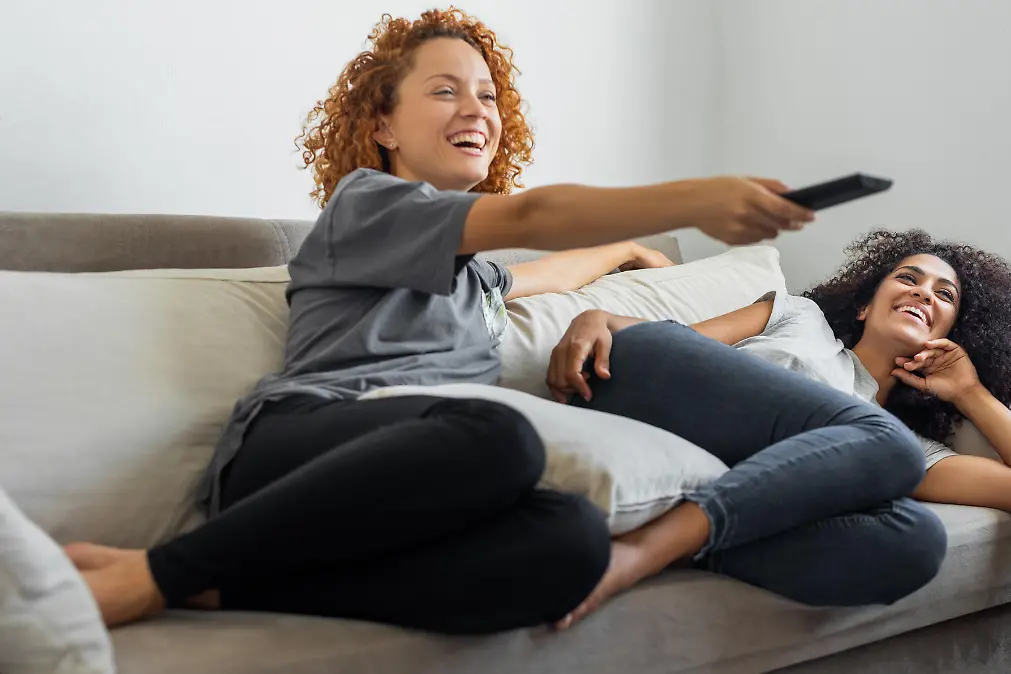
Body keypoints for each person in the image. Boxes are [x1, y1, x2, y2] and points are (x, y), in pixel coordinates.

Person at [62, 8, 816, 634]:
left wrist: (622, 252)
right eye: (446, 91)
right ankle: (157, 572)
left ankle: (225, 588)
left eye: (488, 96)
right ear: (384, 125)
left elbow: (540, 272)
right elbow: (535, 215)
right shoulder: (367, 207)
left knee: (570, 539)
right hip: (300, 447)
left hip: (413, 479)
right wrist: (694, 201)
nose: (477, 111)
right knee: (498, 435)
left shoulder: (475, 278)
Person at [543, 228, 1011, 629]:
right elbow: (674, 344)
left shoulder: (896, 444)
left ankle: (689, 539)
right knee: (887, 448)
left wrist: (969, 391)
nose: (924, 294)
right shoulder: (798, 316)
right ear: (868, 304)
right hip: (652, 390)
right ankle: (647, 550)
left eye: (945, 296)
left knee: (916, 541)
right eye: (909, 278)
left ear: (951, 334)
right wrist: (600, 318)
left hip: (737, 473)